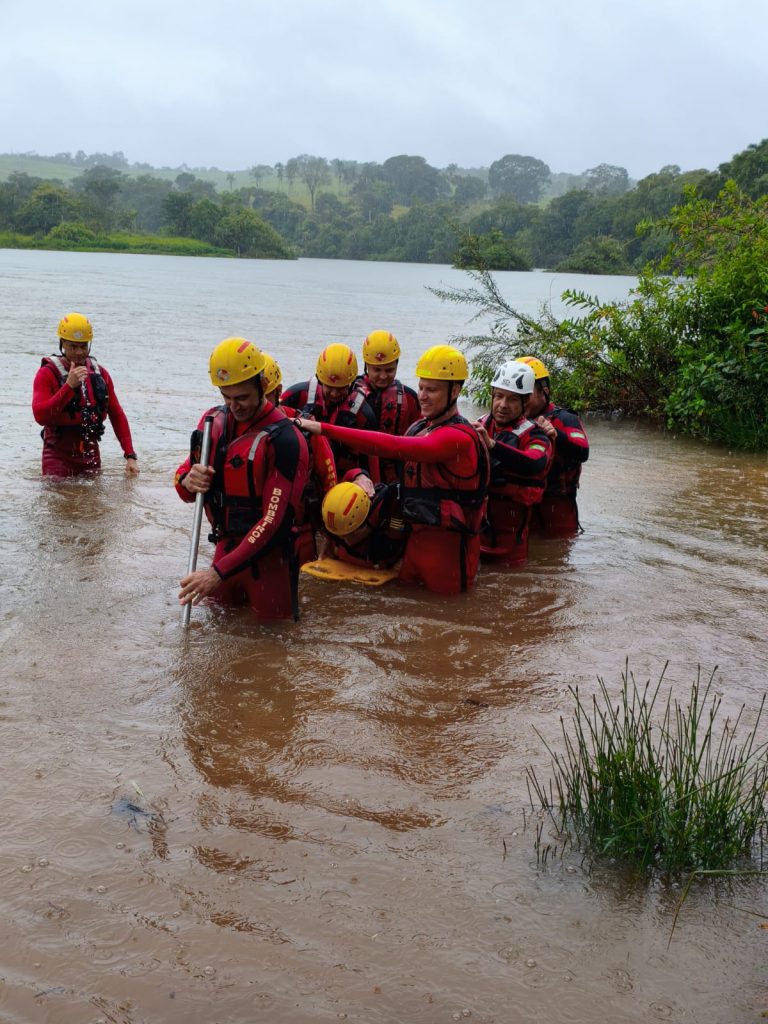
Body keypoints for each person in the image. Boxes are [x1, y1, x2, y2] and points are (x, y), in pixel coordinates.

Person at [295, 345, 490, 594]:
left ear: (455, 391)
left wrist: (322, 428)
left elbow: (393, 446)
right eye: (421, 387)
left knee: (447, 610)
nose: (423, 396)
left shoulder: (458, 438)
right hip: (414, 543)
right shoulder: (421, 427)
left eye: (432, 390)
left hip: (448, 552)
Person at [175, 337, 310, 621]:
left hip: (268, 564)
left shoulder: (286, 440)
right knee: (215, 636)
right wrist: (188, 480)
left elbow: (273, 522)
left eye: (242, 398)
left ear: (262, 384)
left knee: (273, 642)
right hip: (224, 551)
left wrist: (217, 573)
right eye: (227, 397)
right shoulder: (213, 423)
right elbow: (184, 487)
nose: (234, 406)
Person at [32, 312, 139, 477]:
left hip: (91, 458)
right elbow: (40, 416)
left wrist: (130, 455)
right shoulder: (47, 374)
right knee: (58, 493)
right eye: (73, 347)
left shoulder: (100, 374)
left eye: (83, 346)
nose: (79, 352)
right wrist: (68, 386)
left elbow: (117, 414)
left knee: (94, 494)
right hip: (57, 459)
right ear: (62, 344)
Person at [474, 360, 554, 564]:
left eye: (512, 399)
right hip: (476, 537)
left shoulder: (536, 435)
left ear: (525, 402)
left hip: (511, 547)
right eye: (499, 396)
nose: (503, 405)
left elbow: (534, 463)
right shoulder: (478, 426)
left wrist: (493, 446)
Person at [263, 349, 337, 562]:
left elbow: (330, 482)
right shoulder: (228, 429)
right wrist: (190, 479)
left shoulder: (305, 429)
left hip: (297, 532)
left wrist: (332, 537)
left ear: (278, 391)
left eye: (262, 396)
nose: (254, 405)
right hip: (246, 532)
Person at [280, 343, 377, 478]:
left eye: (341, 388)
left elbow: (372, 464)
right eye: (329, 387)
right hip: (302, 475)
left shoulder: (364, 415)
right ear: (320, 380)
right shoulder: (296, 396)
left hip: (343, 481)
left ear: (351, 383)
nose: (334, 393)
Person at [518, 355, 590, 536]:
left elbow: (582, 451)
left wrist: (555, 435)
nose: (520, 401)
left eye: (526, 395)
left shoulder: (565, 419)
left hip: (558, 512)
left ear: (545, 391)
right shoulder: (512, 422)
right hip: (523, 510)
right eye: (516, 395)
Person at [354, 330, 420, 482]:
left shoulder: (410, 398)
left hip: (396, 475)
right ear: (366, 366)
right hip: (359, 475)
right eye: (377, 370)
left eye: (389, 370)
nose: (383, 376)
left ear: (397, 365)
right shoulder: (349, 395)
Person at [320, 471, 407, 569]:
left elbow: (392, 555)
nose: (345, 540)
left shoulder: (382, 546)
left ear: (361, 526)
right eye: (339, 535)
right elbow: (351, 473)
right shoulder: (334, 526)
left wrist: (372, 524)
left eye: (348, 535)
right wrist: (359, 475)